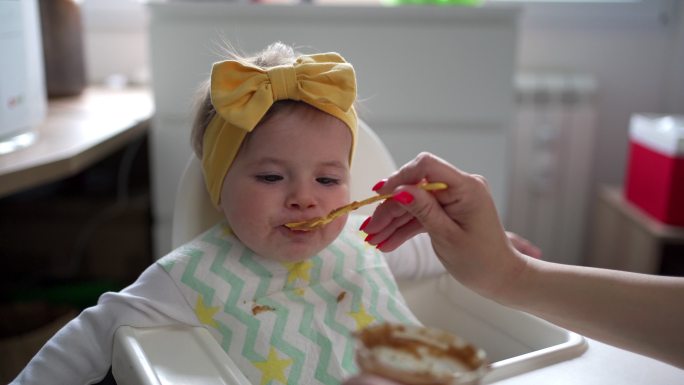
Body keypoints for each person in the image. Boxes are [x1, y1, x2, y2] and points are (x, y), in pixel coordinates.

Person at [12, 42, 457, 385]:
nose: (305, 199)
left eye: (326, 180)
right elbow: (94, 332)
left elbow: (429, 254)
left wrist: (486, 249)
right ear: (219, 187)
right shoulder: (189, 278)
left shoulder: (363, 238)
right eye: (270, 178)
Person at [343, 152, 684, 385]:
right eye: (284, 175)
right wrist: (512, 273)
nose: (304, 197)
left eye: (326, 180)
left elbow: (415, 250)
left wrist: (504, 257)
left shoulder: (345, 241)